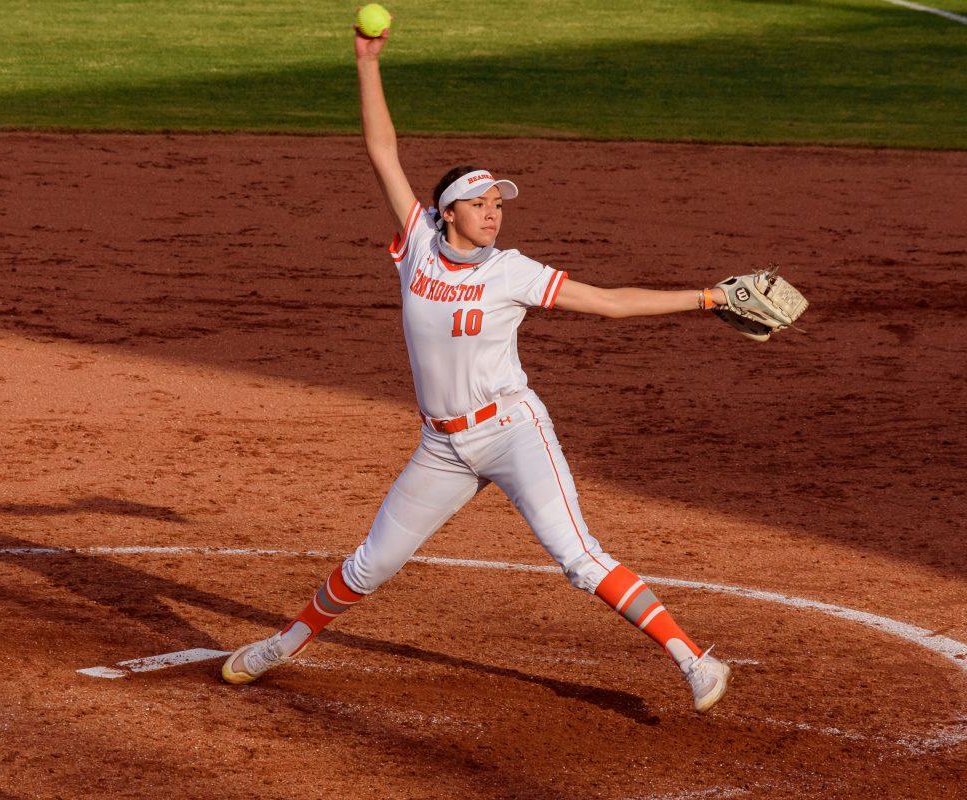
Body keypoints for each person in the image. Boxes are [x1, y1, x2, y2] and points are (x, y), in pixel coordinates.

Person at [221, 23, 733, 713]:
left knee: (578, 558)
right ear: (447, 211)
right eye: (481, 203)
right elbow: (380, 150)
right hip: (441, 445)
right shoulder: (418, 246)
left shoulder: (513, 272)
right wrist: (366, 63)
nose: (494, 213)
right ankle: (283, 645)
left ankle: (694, 659)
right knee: (373, 563)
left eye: (499, 204)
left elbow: (608, 304)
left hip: (512, 429)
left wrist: (706, 298)